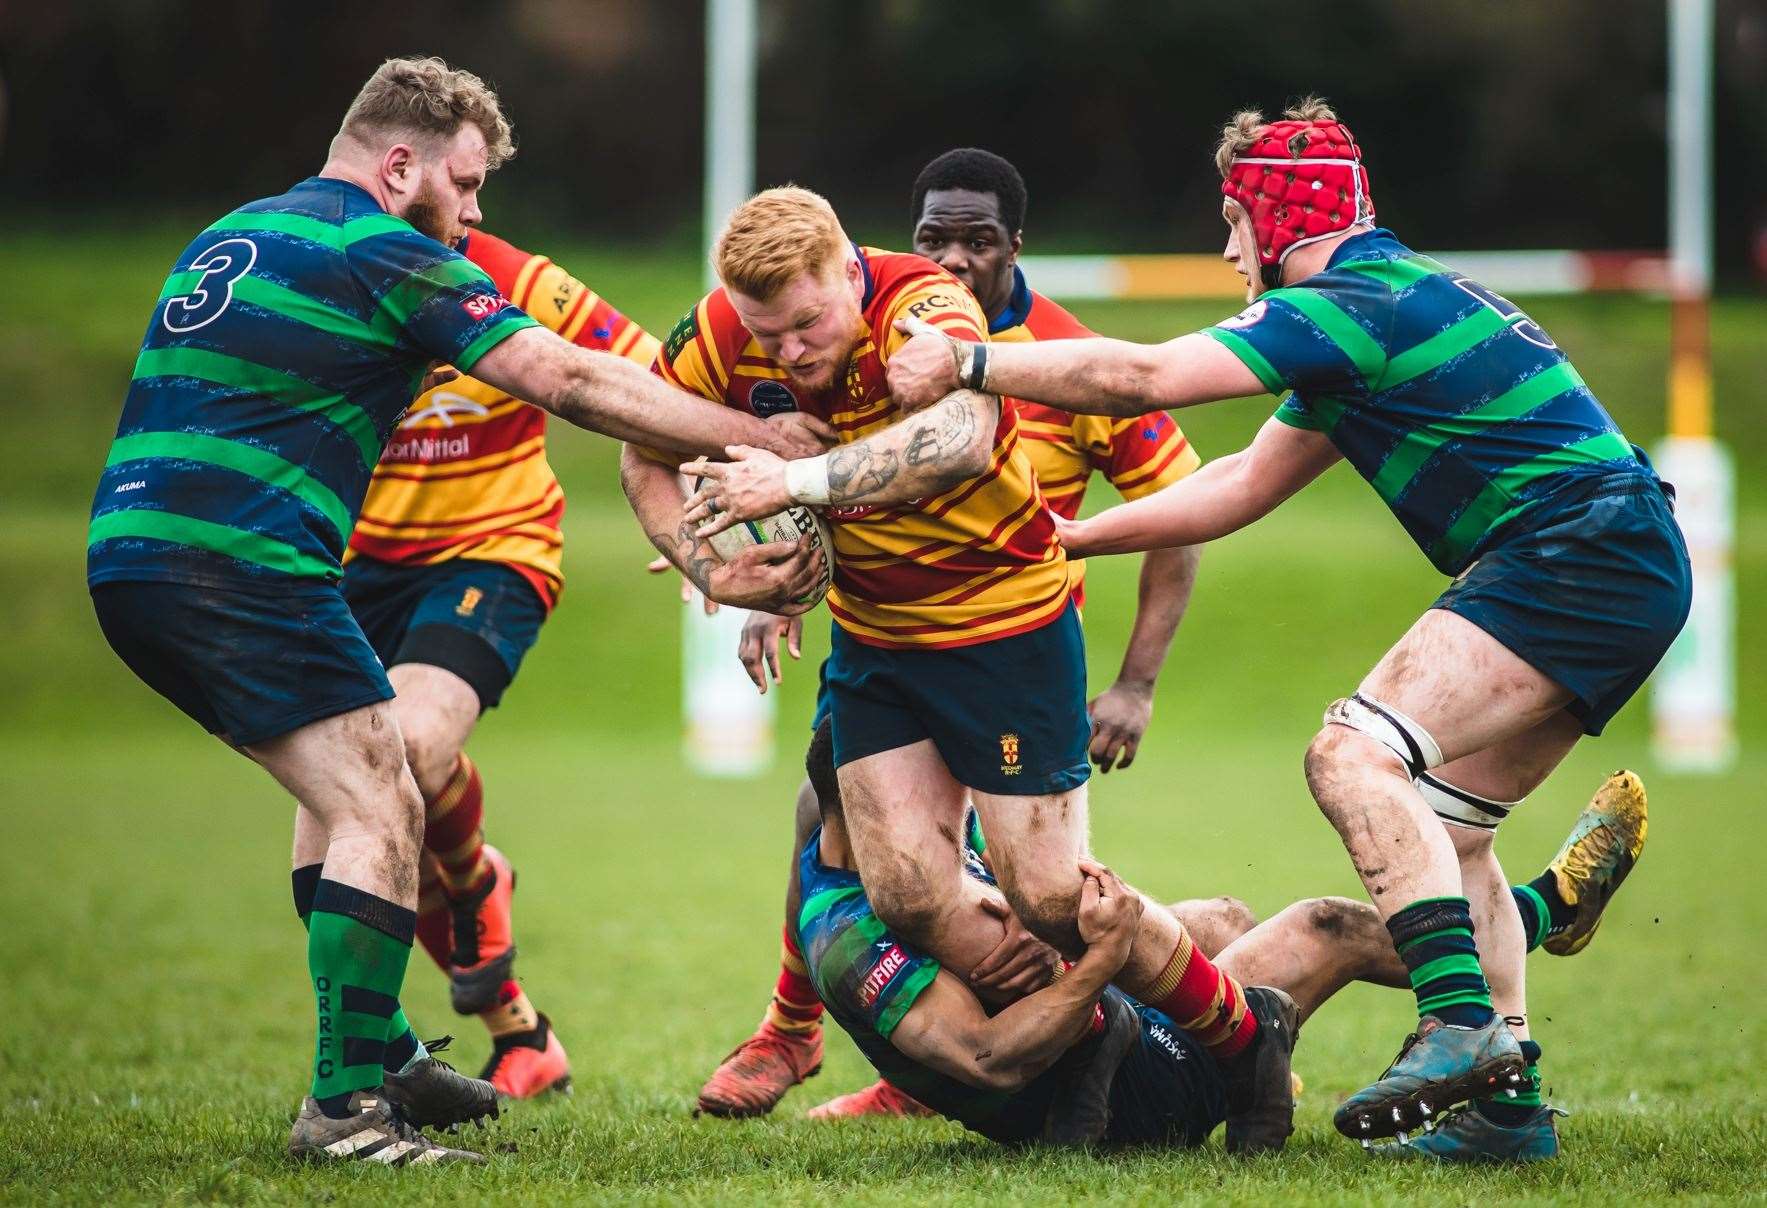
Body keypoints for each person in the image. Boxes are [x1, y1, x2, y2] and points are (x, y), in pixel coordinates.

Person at [881, 97, 1687, 1157]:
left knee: (1350, 753)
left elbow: (1143, 379)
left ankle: (1453, 1026)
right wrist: (1067, 538)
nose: (1226, 251)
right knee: (1451, 835)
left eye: (1232, 225)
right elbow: (1237, 483)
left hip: (1576, 549)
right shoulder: (1381, 311)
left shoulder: (1348, 302)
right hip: (1619, 554)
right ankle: (1508, 1105)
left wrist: (971, 363)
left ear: (1272, 215)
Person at [86, 56, 830, 1165]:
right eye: (464, 182)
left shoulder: (234, 232)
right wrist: (770, 444)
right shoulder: (380, 247)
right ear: (400, 166)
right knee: (383, 802)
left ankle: (383, 1051)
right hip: (243, 565)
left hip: (133, 554)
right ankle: (348, 1112)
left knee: (365, 781)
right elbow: (572, 382)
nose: (475, 211)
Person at [645, 185, 1296, 1152]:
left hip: (1006, 631)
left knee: (1049, 899)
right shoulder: (719, 332)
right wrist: (719, 572)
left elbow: (958, 441)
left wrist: (789, 480)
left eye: (806, 326)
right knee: (904, 893)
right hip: (876, 642)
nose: (786, 354)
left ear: (847, 273)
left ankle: (1246, 1035)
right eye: (765, 336)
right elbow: (640, 450)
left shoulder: (924, 310)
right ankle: (1081, 1031)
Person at [800, 717, 1649, 1162]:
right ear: (870, 800)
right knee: (1323, 929)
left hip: (1093, 1026)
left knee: (1222, 918)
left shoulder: (894, 840)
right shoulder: (849, 940)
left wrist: (1058, 933)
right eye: (938, 785)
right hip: (1109, 1097)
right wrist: (1093, 964)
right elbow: (988, 1058)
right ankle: (1538, 915)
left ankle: (1532, 922)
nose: (958, 798)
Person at [343, 229, 662, 1099]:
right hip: (349, 566)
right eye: (466, 179)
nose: (474, 205)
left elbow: (647, 371)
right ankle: (522, 1034)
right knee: (370, 820)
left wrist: (738, 453)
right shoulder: (328, 269)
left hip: (493, 547)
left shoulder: (515, 276)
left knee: (411, 743)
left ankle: (479, 881)